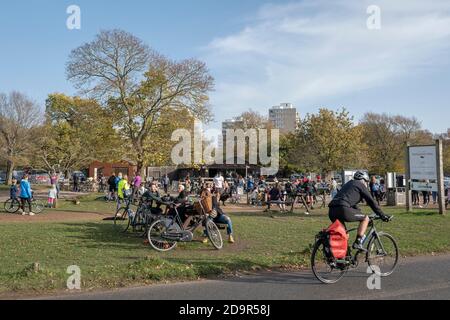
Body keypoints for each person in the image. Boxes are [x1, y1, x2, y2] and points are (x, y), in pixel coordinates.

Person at [328, 171, 391, 251]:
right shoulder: (360, 184)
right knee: (365, 218)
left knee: (345, 235)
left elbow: (350, 200)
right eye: (366, 182)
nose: (366, 184)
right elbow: (371, 202)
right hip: (343, 209)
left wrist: (359, 212)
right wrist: (382, 215)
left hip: (332, 210)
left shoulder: (349, 184)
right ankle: (358, 243)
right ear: (363, 180)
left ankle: (343, 258)